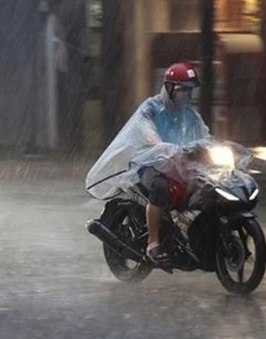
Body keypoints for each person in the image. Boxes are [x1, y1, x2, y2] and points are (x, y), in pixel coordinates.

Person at [85, 62, 211, 264]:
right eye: (183, 91)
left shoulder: (190, 114)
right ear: (170, 89)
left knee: (208, 184)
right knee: (160, 188)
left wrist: (209, 147)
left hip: (179, 164)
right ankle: (153, 242)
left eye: (190, 91)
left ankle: (190, 233)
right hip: (149, 163)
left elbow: (204, 135)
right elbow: (147, 132)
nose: (188, 96)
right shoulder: (151, 108)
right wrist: (160, 145)